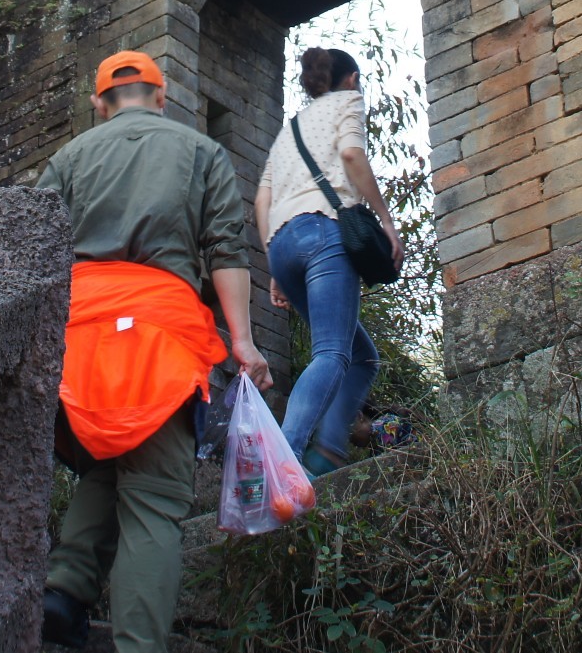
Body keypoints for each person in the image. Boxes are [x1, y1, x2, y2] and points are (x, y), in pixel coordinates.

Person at [38, 51, 272, 652]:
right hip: (160, 335)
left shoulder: (67, 159)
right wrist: (241, 343)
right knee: (154, 496)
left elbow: (30, 254)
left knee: (106, 459)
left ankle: (63, 594)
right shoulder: (202, 152)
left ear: (99, 104)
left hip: (80, 335)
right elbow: (225, 250)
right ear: (162, 97)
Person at [256, 47, 403, 476]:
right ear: (352, 79)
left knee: (363, 356)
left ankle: (328, 451)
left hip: (282, 245)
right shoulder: (348, 102)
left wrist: (274, 266)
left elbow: (261, 201)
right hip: (324, 233)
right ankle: (285, 460)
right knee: (333, 353)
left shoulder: (290, 130)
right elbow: (353, 156)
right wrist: (387, 222)